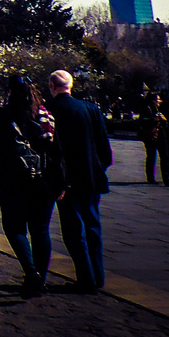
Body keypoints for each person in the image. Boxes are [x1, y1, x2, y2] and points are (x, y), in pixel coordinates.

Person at [0, 76, 66, 297]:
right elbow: (58, 151)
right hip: (44, 181)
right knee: (41, 231)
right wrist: (62, 181)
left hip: (11, 179)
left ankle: (31, 272)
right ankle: (41, 279)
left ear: (9, 92)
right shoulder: (45, 115)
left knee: (14, 228)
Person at [47, 69, 112, 294]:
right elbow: (105, 149)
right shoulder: (91, 109)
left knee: (73, 230)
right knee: (93, 226)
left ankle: (86, 277)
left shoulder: (49, 109)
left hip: (66, 180)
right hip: (92, 178)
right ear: (71, 85)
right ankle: (98, 275)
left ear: (52, 86)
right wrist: (98, 168)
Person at [138, 88, 164, 184]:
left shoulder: (157, 108)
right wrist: (154, 119)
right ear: (153, 100)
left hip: (158, 134)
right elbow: (142, 120)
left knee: (163, 156)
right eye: (158, 99)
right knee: (151, 156)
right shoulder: (146, 108)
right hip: (150, 135)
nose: (159, 101)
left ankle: (165, 176)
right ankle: (150, 177)